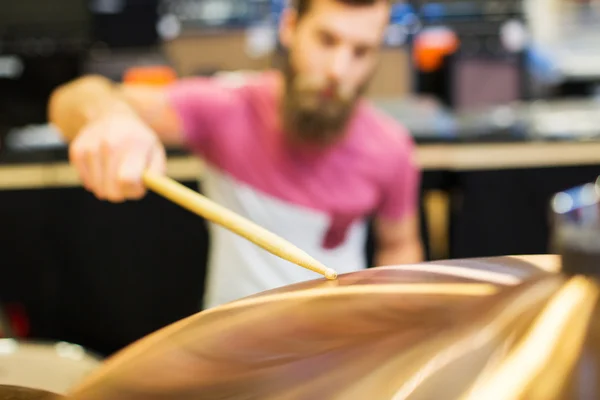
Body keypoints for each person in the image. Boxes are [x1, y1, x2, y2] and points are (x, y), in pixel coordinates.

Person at [48, 0, 423, 309]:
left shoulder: (391, 145)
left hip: (341, 342)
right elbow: (72, 99)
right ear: (290, 26)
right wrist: (111, 117)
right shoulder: (227, 108)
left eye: (361, 51)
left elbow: (399, 244)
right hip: (234, 344)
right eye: (326, 40)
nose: (338, 70)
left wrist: (394, 317)